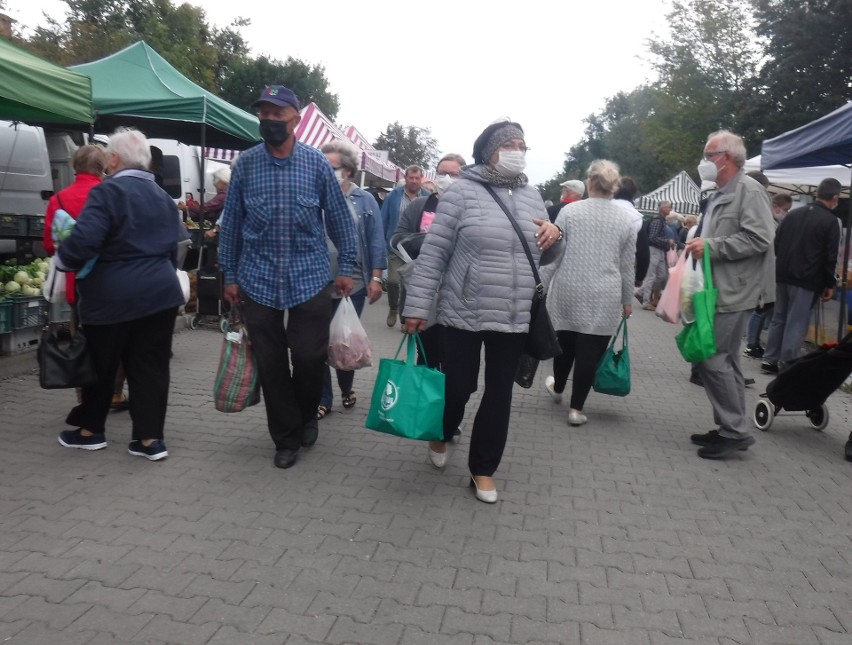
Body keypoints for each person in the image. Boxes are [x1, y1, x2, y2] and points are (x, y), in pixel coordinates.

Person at [402, 119, 562, 503]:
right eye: (510, 143)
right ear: (488, 150)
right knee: (459, 386)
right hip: (464, 309)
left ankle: (483, 469)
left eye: (523, 144)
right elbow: (435, 253)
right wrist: (418, 306)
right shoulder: (462, 194)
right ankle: (442, 432)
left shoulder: (533, 195)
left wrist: (557, 236)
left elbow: (545, 252)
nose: (518, 150)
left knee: (499, 393)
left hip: (515, 312)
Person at [218, 85, 357, 470]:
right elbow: (231, 225)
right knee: (272, 361)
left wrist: (346, 267)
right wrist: (229, 274)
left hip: (309, 277)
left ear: (295, 119)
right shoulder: (246, 164)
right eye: (264, 114)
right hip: (257, 278)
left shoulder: (315, 165)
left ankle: (308, 413)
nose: (269, 121)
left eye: (277, 114)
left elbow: (340, 220)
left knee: (310, 357)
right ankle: (285, 436)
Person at [54, 128, 187, 461]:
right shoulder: (162, 196)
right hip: (160, 294)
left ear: (113, 159)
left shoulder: (108, 192)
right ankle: (150, 440)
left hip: (112, 295)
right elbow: (177, 246)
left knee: (101, 363)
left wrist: (62, 261)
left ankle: (89, 432)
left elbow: (85, 240)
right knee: (151, 367)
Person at [685, 130, 775, 459]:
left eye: (708, 155)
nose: (704, 162)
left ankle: (735, 430)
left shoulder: (748, 190)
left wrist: (711, 246)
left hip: (735, 289)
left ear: (725, 157)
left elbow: (760, 238)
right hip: (720, 286)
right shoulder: (723, 191)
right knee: (728, 360)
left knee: (712, 359)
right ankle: (729, 427)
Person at [541, 160, 636, 426]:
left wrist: (541, 287)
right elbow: (628, 265)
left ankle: (558, 387)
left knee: (565, 345)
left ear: (590, 183)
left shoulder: (570, 213)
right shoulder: (626, 220)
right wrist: (627, 300)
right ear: (613, 187)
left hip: (568, 288)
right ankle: (576, 409)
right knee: (590, 352)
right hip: (605, 293)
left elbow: (553, 254)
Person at [317, 139, 386, 419]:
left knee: (343, 341)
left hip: (353, 283)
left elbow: (376, 240)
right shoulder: (313, 194)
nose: (328, 172)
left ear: (348, 170)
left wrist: (377, 278)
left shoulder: (365, 200)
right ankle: (323, 398)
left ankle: (346, 386)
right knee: (318, 343)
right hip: (316, 281)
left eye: (333, 167)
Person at [390, 153, 466, 370]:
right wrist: (429, 242)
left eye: (454, 174)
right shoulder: (421, 205)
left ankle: (450, 402)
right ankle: (426, 401)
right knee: (427, 358)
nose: (447, 178)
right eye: (443, 173)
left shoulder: (473, 209)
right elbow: (397, 238)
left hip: (459, 296)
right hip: (426, 294)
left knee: (455, 364)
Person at [761, 178, 841, 373]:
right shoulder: (830, 221)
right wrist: (830, 284)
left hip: (782, 273)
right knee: (797, 321)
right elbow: (830, 256)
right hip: (807, 278)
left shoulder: (792, 215)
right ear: (835, 198)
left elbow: (777, 244)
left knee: (779, 317)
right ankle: (787, 363)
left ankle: (770, 358)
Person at [743, 194, 793, 359]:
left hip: (770, 272)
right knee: (761, 310)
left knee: (765, 310)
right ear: (776, 205)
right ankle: (751, 344)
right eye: (785, 209)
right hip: (765, 273)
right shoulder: (768, 222)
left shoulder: (775, 222)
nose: (786, 213)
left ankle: (753, 343)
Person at [381, 166, 429, 327]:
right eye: (411, 178)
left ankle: (405, 317)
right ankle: (393, 308)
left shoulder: (429, 198)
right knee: (393, 281)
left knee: (410, 285)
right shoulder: (393, 196)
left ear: (421, 179)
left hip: (417, 249)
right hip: (396, 247)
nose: (414, 181)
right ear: (406, 178)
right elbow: (383, 219)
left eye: (417, 178)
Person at [637, 201, 675, 310]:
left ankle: (641, 292)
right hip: (654, 249)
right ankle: (646, 301)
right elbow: (652, 238)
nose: (670, 209)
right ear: (663, 208)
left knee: (662, 275)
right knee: (651, 276)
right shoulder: (658, 221)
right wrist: (667, 241)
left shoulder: (661, 221)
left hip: (659, 250)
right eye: (669, 207)